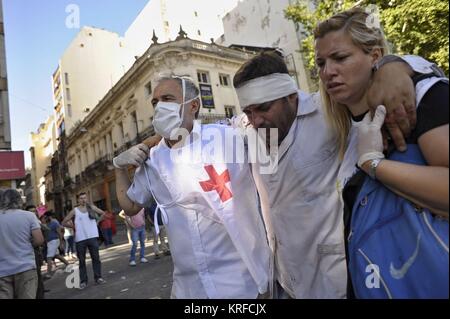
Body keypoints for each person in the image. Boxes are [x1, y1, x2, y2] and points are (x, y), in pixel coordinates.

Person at [232, 38, 433, 297]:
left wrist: (394, 66)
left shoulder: (331, 113)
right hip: (286, 281)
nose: (255, 120)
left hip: (336, 279)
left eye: (263, 108)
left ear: (291, 95)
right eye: (248, 112)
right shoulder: (248, 129)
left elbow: (407, 76)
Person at [313, 7, 448, 298]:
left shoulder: (418, 97)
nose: (328, 72)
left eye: (340, 58)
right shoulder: (344, 131)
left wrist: (374, 164)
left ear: (374, 56)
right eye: (320, 63)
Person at [113, 75, 270, 299]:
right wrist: (118, 166)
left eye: (167, 98)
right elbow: (130, 206)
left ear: (193, 105)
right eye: (155, 102)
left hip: (242, 283)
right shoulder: (153, 159)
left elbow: (268, 138)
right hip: (189, 288)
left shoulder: (227, 138)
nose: (159, 106)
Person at [0, 189, 44, 299]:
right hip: (26, 267)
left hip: (2, 271)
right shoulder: (29, 216)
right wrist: (26, 244)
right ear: (19, 201)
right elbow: (39, 240)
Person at [62, 192, 106, 289]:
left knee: (96, 259)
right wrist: (73, 226)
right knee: (82, 261)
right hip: (80, 239)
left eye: (85, 198)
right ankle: (83, 281)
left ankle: (98, 277)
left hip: (92, 237)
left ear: (87, 199)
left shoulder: (91, 207)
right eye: (81, 198)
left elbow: (103, 213)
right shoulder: (75, 211)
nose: (83, 200)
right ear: (78, 200)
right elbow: (64, 222)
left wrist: (97, 222)